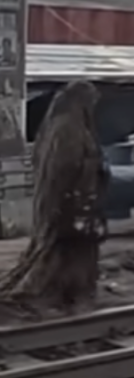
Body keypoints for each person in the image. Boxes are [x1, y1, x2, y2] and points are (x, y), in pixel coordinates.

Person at [0, 80, 108, 313]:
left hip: (71, 200)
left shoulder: (64, 125)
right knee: (63, 246)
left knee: (70, 246)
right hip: (69, 200)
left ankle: (70, 290)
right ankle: (57, 291)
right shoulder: (68, 129)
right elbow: (65, 166)